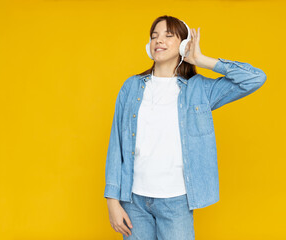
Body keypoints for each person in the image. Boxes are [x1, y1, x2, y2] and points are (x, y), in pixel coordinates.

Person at [104, 15, 267, 240]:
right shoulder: (131, 87)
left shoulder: (199, 90)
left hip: (176, 200)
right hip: (134, 201)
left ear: (183, 45)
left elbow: (255, 78)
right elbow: (116, 145)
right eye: (154, 36)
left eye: (168, 36)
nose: (158, 40)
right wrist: (112, 201)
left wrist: (201, 59)